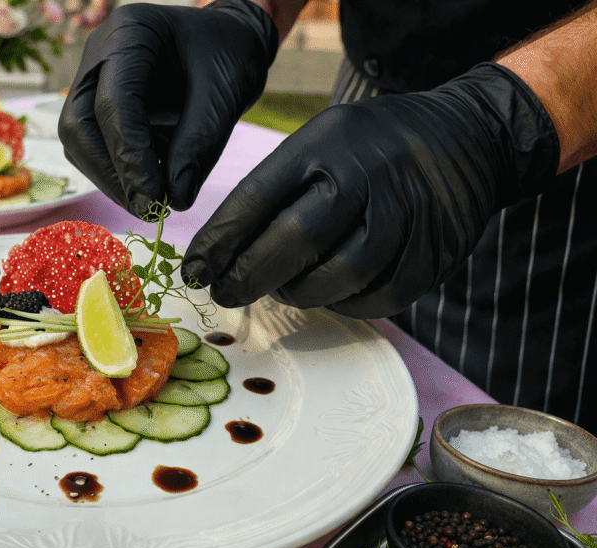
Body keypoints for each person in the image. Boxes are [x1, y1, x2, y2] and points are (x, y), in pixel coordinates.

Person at [57, 0, 597, 432]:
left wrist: (502, 121)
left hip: (560, 144)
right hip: (366, 102)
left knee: (507, 449)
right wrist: (244, 10)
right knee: (326, 397)